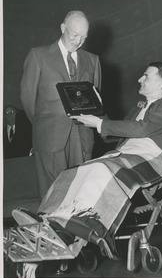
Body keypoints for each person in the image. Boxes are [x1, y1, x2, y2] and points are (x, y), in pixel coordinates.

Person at [10, 62, 162, 278]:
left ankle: (79, 228)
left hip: (154, 157)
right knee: (73, 172)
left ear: (161, 82)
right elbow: (113, 133)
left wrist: (100, 123)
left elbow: (144, 129)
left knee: (101, 168)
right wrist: (97, 111)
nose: (140, 79)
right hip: (127, 156)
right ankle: (48, 222)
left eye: (146, 76)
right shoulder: (138, 108)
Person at [20, 11, 102, 199]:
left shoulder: (93, 60)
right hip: (50, 137)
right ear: (63, 28)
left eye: (83, 37)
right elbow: (28, 99)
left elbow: (95, 100)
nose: (78, 41)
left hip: (82, 138)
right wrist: (46, 124)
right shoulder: (38, 55)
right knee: (52, 196)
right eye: (74, 34)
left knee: (81, 194)